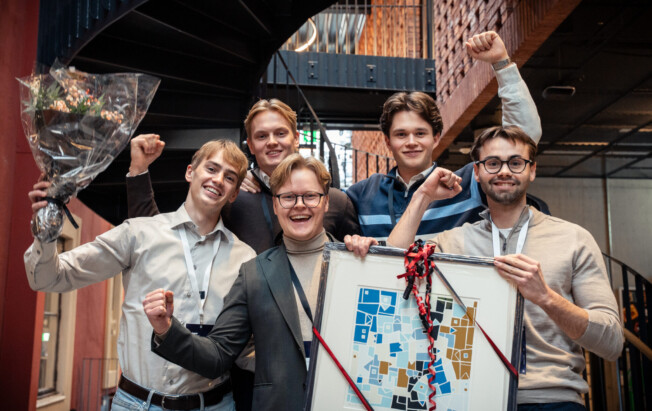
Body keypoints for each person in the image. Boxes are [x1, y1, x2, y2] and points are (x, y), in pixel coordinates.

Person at [142, 154, 457, 410]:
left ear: (326, 202)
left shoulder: (356, 259)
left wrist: (421, 198)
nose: (299, 204)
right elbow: (217, 356)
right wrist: (166, 329)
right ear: (276, 204)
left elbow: (398, 283)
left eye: (310, 196)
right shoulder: (254, 273)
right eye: (288, 197)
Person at [352, 125, 622, 409]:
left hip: (550, 399)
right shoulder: (453, 242)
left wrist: (546, 298)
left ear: (532, 170)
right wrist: (423, 196)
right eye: (493, 163)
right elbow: (393, 269)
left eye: (516, 162)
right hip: (469, 399)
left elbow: (612, 343)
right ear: (477, 172)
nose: (504, 171)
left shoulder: (573, 239)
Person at [25, 140, 257, 411]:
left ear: (234, 193)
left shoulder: (245, 258)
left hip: (214, 405)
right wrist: (46, 228)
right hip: (136, 404)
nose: (218, 180)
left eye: (229, 177)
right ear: (190, 172)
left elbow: (244, 349)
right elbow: (48, 278)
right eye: (212, 169)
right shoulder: (138, 234)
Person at [345, 31, 543, 241]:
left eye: (420, 133)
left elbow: (523, 140)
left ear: (436, 138)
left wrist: (502, 64)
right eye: (401, 134)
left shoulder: (466, 184)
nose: (411, 142)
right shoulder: (363, 194)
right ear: (388, 141)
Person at [126, 98, 359, 254]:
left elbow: (357, 259)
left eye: (280, 133)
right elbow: (157, 234)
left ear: (296, 138)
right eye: (261, 136)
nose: (272, 142)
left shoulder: (335, 202)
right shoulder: (232, 198)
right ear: (251, 145)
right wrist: (138, 170)